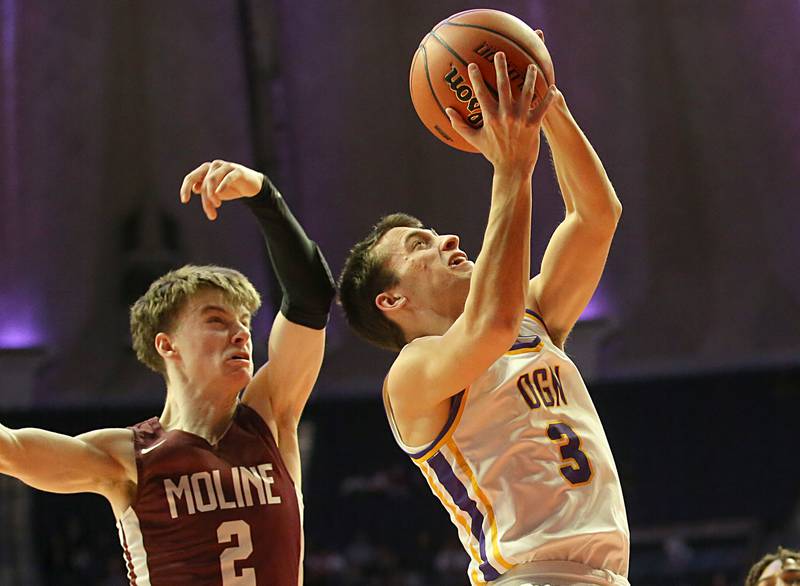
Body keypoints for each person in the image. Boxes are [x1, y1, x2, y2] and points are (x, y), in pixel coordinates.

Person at [338, 39, 629, 586]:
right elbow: (490, 326)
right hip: (528, 576)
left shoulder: (532, 316)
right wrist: (512, 168)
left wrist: (548, 107)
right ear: (392, 300)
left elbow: (596, 216)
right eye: (420, 245)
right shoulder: (412, 376)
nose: (447, 237)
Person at [0, 160, 336, 585]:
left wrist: (264, 195)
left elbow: (311, 298)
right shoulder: (127, 457)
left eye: (245, 324)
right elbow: (9, 449)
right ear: (167, 344)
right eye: (217, 320)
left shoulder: (270, 416)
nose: (240, 335)